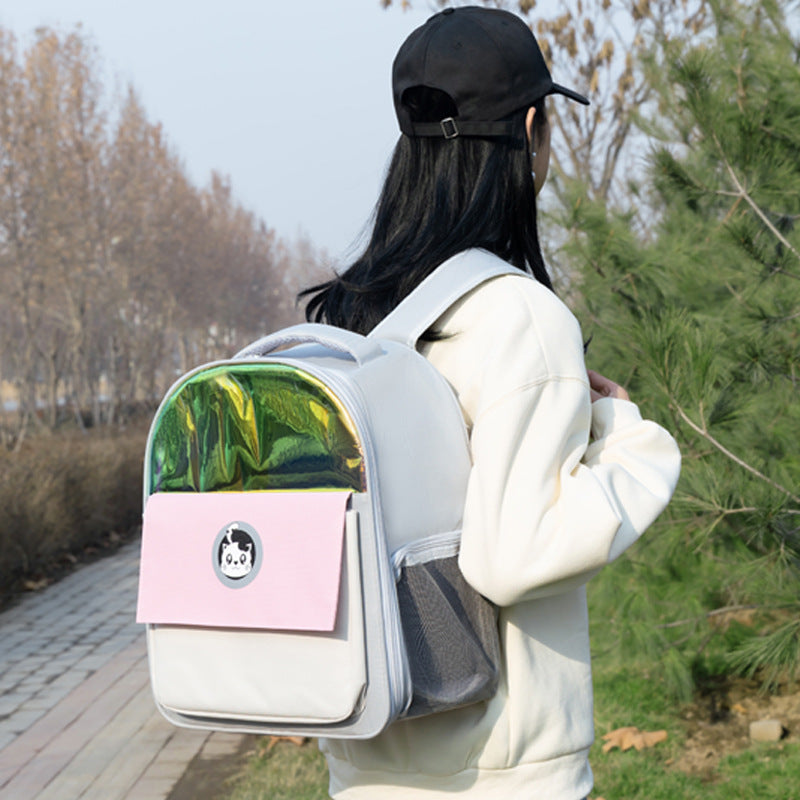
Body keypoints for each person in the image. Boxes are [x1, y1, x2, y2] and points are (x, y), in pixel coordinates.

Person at [303, 6, 681, 799]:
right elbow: (515, 555)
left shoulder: (350, 315)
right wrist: (628, 442)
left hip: (366, 751)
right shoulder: (518, 315)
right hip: (502, 773)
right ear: (533, 129)